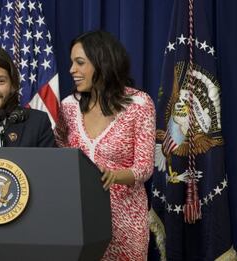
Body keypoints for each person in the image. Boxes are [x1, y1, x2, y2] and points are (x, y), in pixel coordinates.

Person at [54, 30, 156, 260]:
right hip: (79, 222)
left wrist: (113, 176)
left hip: (125, 224)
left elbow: (144, 167)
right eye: (72, 63)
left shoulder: (139, 104)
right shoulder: (69, 106)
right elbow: (59, 149)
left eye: (80, 63)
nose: (72, 70)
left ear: (103, 63)